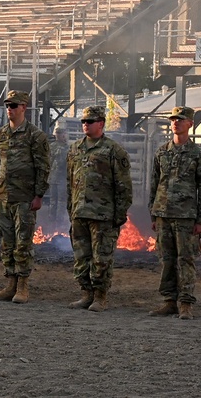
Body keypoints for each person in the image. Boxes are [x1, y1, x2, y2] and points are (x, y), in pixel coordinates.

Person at [146, 107, 201, 320]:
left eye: (180, 119)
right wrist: (153, 215)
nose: (175, 122)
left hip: (186, 216)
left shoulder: (198, 155)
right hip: (163, 214)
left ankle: (185, 303)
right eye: (173, 119)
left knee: (186, 260)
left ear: (190, 124)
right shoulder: (162, 152)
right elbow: (154, 184)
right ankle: (168, 301)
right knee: (166, 259)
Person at [66, 105, 133, 312]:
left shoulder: (113, 150)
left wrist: (119, 214)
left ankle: (100, 296)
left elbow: (123, 185)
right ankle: (86, 294)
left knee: (101, 258)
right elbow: (71, 181)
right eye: (84, 122)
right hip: (80, 213)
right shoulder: (75, 148)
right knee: (81, 257)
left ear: (101, 124)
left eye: (90, 121)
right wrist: (71, 209)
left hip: (103, 214)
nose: (85, 125)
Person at [0, 90, 50, 304]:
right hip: (4, 197)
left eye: (14, 105)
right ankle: (10, 284)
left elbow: (43, 167)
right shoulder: (0, 135)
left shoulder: (35, 136)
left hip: (25, 197)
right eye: (8, 106)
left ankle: (22, 286)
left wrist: (39, 195)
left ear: (24, 107)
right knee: (6, 242)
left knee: (23, 243)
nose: (10, 109)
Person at [47, 124, 70, 227]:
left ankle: (52, 219)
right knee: (60, 200)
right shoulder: (66, 147)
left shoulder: (51, 146)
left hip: (53, 177)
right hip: (61, 178)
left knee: (53, 200)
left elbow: (48, 162)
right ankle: (59, 221)